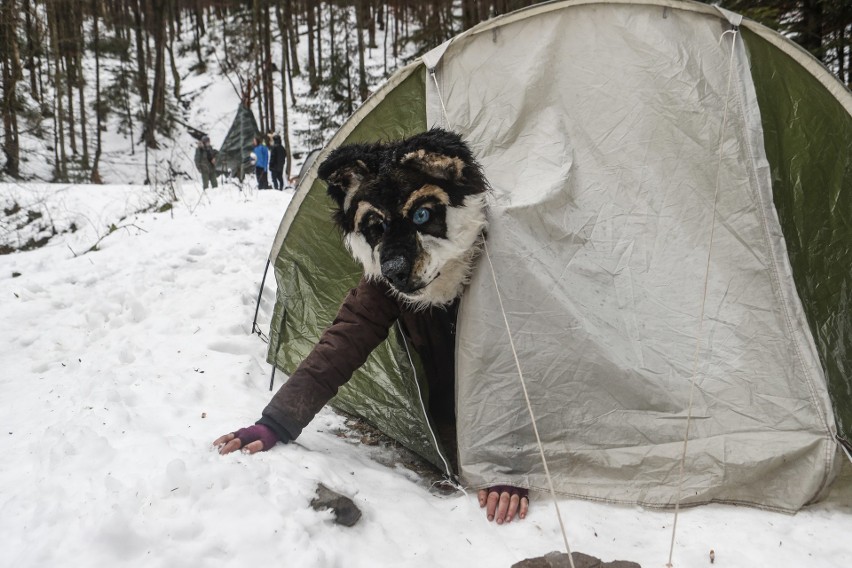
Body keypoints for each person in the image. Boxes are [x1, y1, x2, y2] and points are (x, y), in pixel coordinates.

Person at [214, 129, 529, 525]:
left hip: (513, 411)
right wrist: (275, 422)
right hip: (451, 402)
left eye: (421, 215)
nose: (395, 261)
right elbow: (344, 339)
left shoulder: (507, 255)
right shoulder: (386, 281)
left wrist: (507, 461)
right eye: (377, 230)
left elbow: (531, 357)